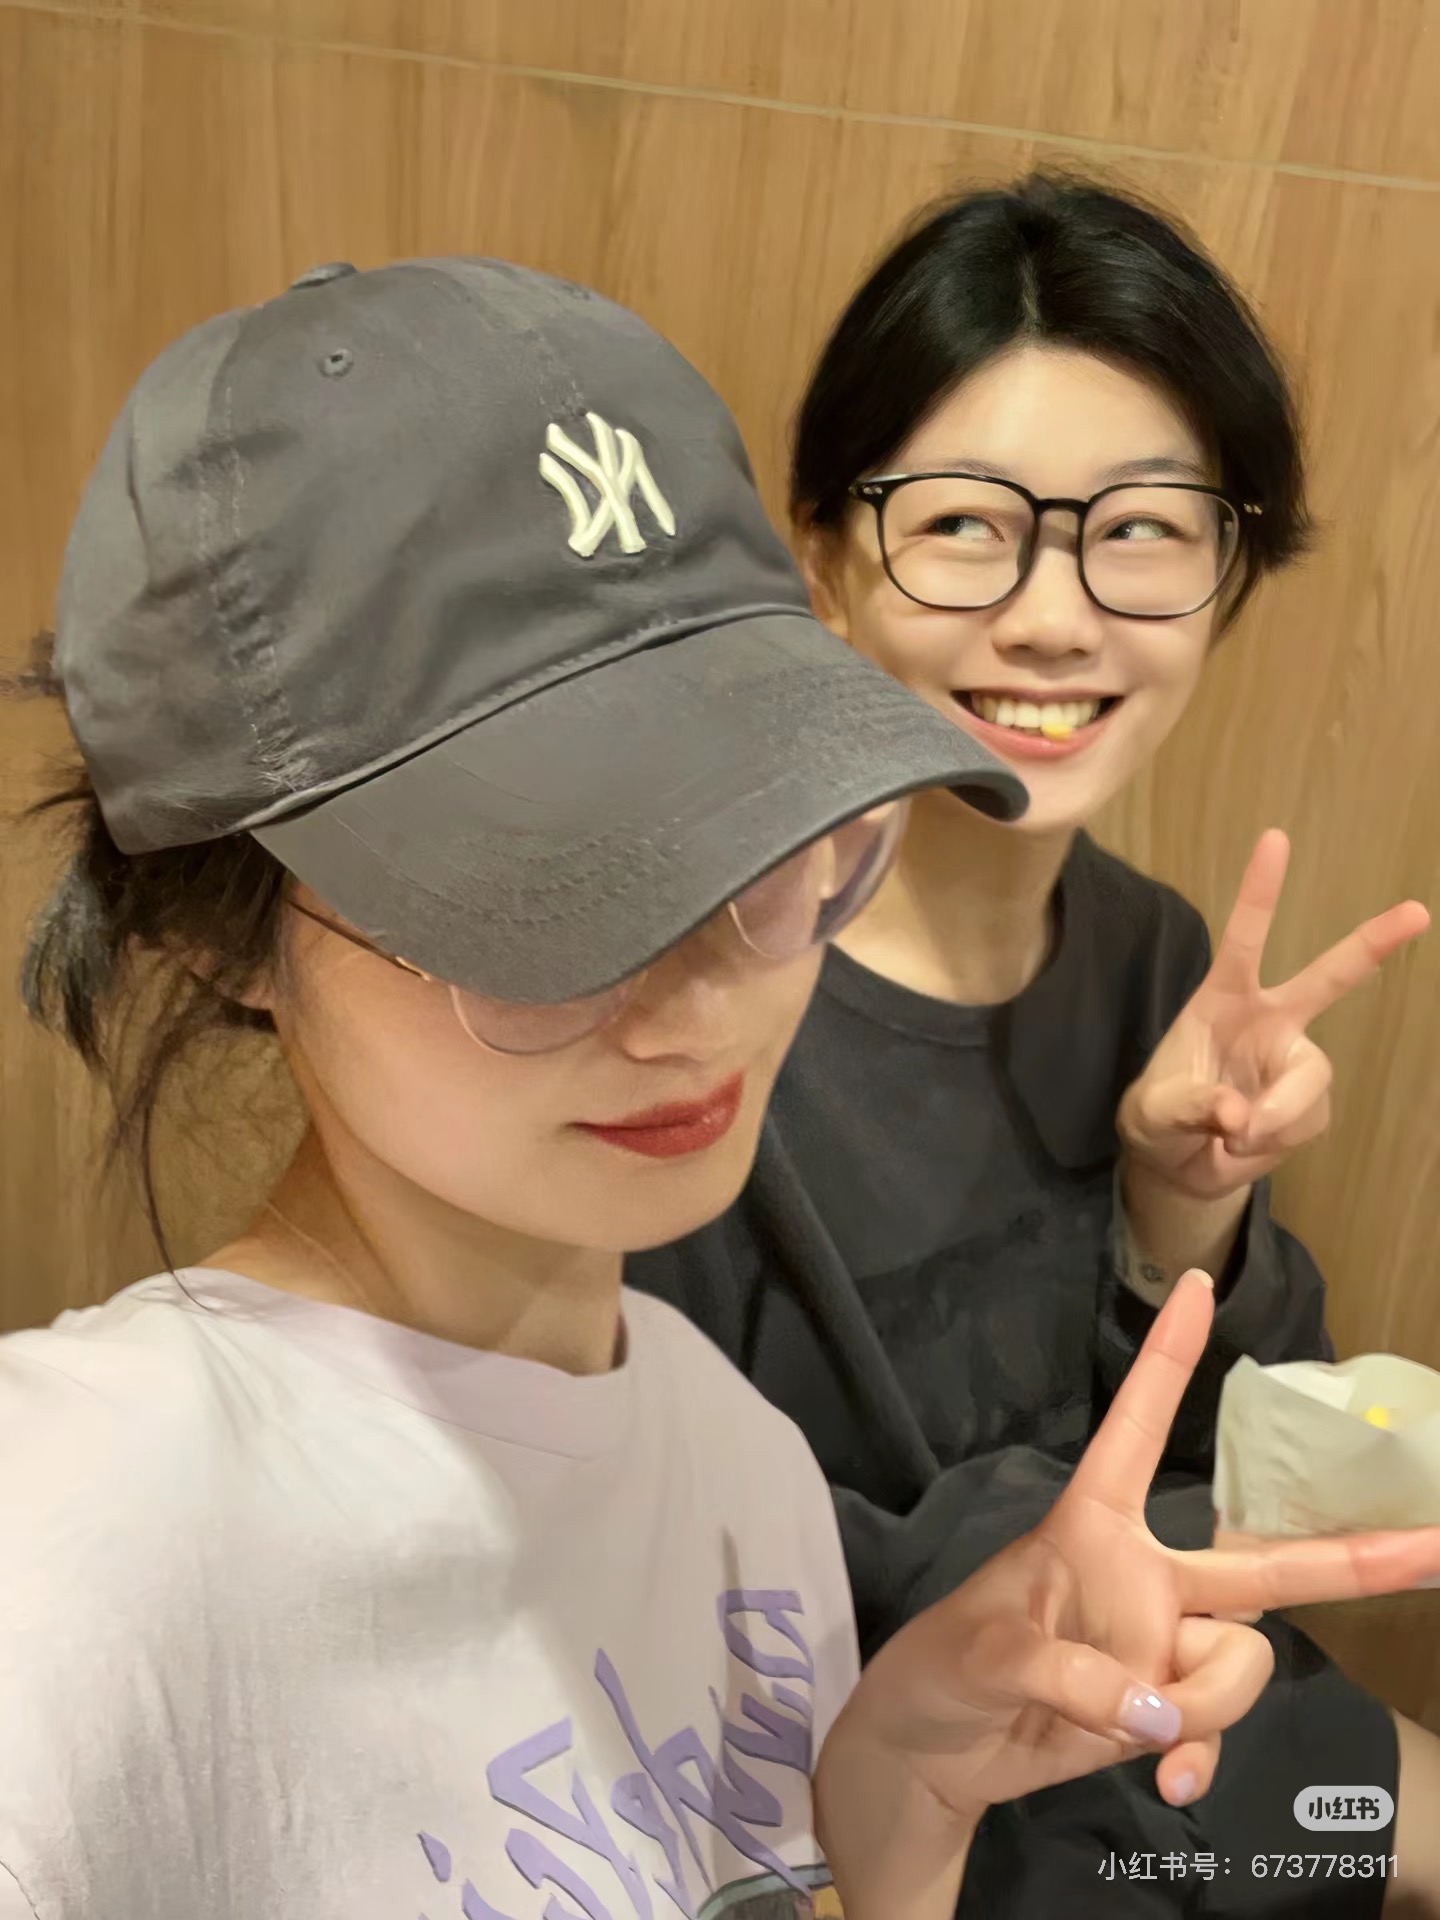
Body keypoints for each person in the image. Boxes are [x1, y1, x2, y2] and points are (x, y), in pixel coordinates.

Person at [10, 255, 1439, 1920]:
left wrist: (896, 1807)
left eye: (763, 837)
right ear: (209, 927)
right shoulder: (75, 1538)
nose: (704, 1003)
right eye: (544, 895)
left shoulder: (732, 1467)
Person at [627, 175, 1440, 1917]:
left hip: (1164, 1752)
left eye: (1140, 531)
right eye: (964, 524)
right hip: (863, 1832)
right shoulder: (683, 1012)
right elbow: (668, 1569)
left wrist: (1180, 1217)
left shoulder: (1159, 960)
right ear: (825, 561)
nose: (1057, 618)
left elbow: (1239, 1488)